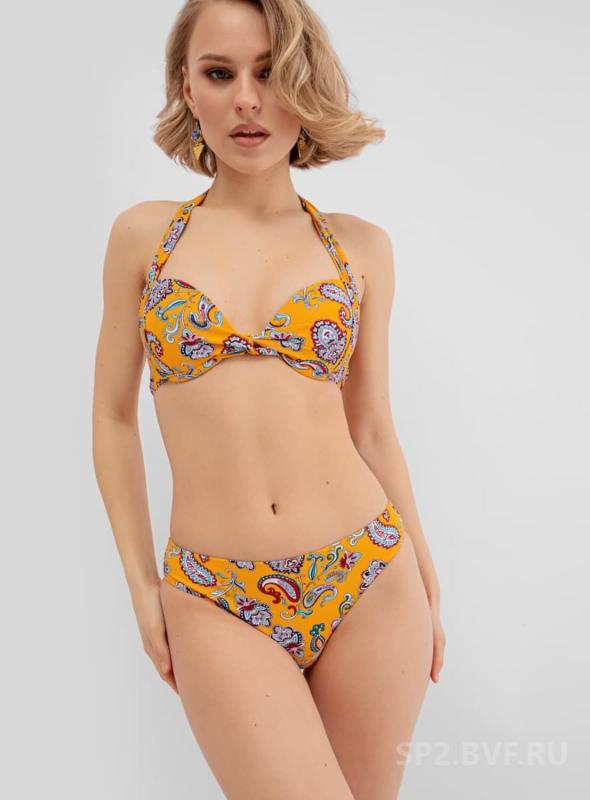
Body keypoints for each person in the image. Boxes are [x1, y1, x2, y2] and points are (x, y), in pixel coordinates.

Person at [92, 1, 445, 797]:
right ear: (187, 87)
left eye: (271, 73)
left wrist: (424, 571)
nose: (247, 100)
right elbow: (112, 417)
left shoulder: (359, 248)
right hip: (214, 594)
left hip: (368, 577)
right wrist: (142, 586)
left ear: (304, 85)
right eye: (220, 74)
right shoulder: (145, 238)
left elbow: (373, 427)